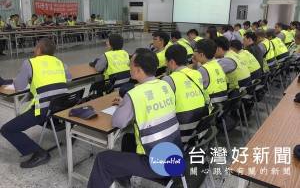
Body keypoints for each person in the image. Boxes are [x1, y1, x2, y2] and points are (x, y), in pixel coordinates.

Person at [87, 48, 182, 188]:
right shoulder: (165, 85)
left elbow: (118, 122)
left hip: (156, 163)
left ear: (138, 70)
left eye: (130, 64)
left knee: (103, 159)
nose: (128, 67)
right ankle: (124, 178)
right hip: (175, 152)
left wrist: (125, 105)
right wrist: (128, 104)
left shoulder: (135, 94)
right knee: (127, 140)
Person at [0, 38, 72, 168]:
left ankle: (39, 153)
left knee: (7, 129)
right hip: (62, 107)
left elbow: (19, 86)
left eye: (35, 47)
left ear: (38, 49)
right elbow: (69, 79)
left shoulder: (30, 63)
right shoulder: (60, 62)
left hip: (44, 109)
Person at [162, 45, 209, 143]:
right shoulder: (197, 73)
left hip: (182, 131)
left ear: (171, 62)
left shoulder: (169, 80)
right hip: (201, 127)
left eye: (167, 62)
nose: (167, 65)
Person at [193, 39, 228, 104]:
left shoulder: (202, 70)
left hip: (210, 107)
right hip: (222, 105)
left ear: (201, 55)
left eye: (195, 51)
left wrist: (194, 65)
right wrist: (195, 64)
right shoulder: (217, 64)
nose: (194, 54)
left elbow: (192, 83)